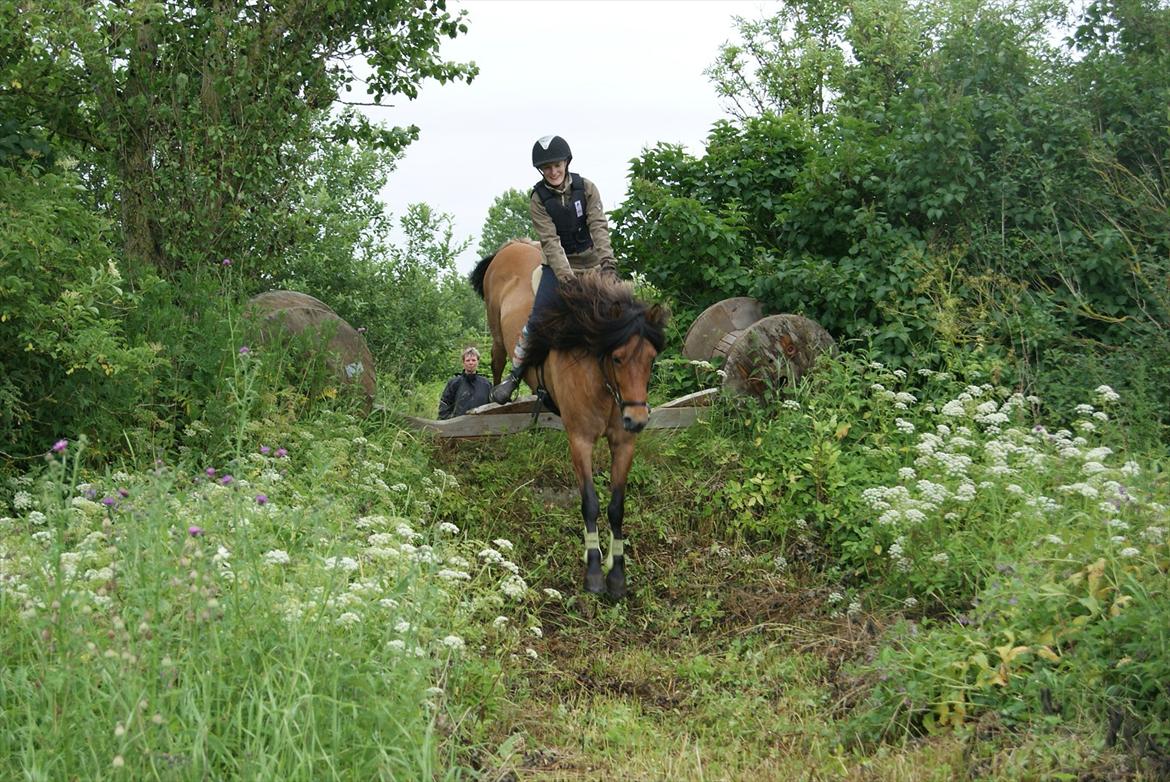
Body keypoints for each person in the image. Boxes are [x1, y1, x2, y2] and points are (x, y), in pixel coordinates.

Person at [490, 134, 619, 403]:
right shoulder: (538, 199)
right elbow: (550, 242)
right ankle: (514, 376)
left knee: (623, 318)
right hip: (556, 267)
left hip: (592, 262)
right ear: (541, 170)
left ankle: (631, 385)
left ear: (566, 162)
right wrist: (567, 280)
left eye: (557, 165)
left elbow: (599, 226)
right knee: (536, 320)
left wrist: (608, 263)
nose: (553, 171)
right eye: (547, 168)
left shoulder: (588, 189)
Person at [438, 347, 492, 419]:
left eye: (473, 360)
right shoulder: (454, 383)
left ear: (478, 362)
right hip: (457, 425)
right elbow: (444, 404)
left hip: (481, 424)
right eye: (468, 360)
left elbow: (491, 406)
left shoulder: (486, 384)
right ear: (463, 362)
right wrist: (449, 419)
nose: (471, 363)